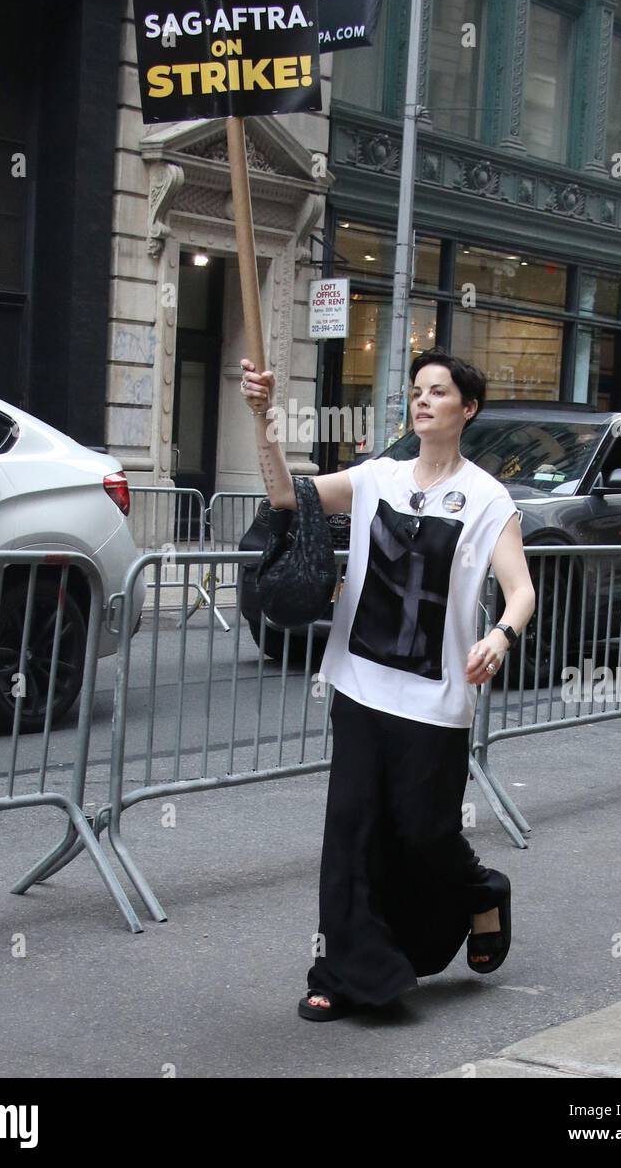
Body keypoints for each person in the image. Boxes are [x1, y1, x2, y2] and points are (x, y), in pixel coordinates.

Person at [239, 347, 536, 1022]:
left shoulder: (489, 499)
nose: (423, 399)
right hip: (360, 687)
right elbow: (287, 495)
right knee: (350, 830)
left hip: (436, 702)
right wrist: (263, 420)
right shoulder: (378, 478)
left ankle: (482, 889)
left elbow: (520, 590)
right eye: (417, 390)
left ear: (468, 409)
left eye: (439, 391)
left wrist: (500, 636)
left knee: (424, 836)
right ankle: (344, 973)